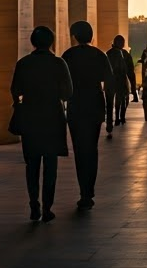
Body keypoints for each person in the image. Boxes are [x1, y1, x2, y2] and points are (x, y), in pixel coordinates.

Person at [9, 25, 73, 222]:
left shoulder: (24, 63)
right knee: (50, 165)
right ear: (51, 42)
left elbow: (15, 89)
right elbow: (68, 92)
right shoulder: (58, 63)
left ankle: (33, 203)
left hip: (30, 117)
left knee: (32, 164)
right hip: (52, 117)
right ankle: (47, 207)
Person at [61, 21, 113, 209]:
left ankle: (84, 191)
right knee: (91, 149)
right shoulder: (99, 55)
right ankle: (88, 191)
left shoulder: (68, 55)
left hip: (76, 106)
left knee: (79, 150)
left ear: (74, 36)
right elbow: (109, 84)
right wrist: (109, 112)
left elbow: (62, 85)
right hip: (95, 106)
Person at [105, 34, 136, 132]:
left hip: (109, 81)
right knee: (123, 99)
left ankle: (110, 122)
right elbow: (130, 71)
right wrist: (133, 87)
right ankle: (121, 117)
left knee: (110, 103)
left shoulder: (108, 53)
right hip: (121, 80)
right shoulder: (125, 54)